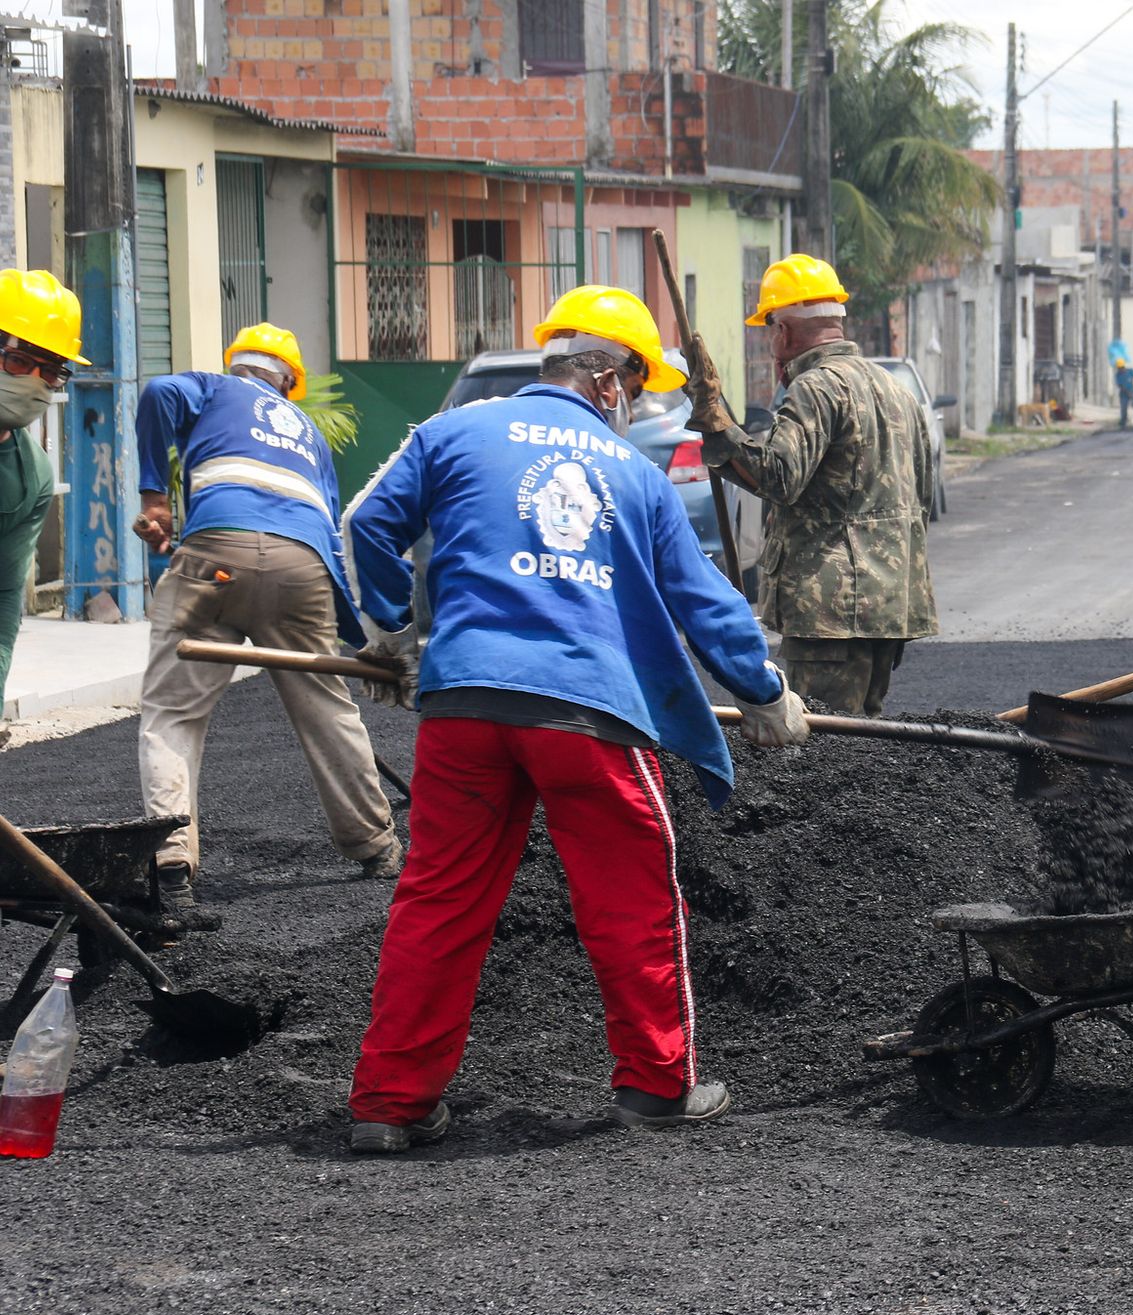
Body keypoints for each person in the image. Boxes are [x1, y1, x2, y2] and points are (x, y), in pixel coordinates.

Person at [341, 285, 810, 1154]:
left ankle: (389, 1105)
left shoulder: (451, 432)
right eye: (637, 388)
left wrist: (389, 635)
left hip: (466, 706)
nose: (635, 405)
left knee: (436, 901)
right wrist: (765, 692)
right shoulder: (632, 474)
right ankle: (657, 1086)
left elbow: (366, 523)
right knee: (632, 892)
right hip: (586, 717)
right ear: (607, 381)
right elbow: (706, 603)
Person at [133, 323, 400, 933]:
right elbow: (331, 530)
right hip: (300, 568)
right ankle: (377, 847)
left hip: (215, 559)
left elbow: (156, 393)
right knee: (325, 704)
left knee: (173, 712)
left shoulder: (214, 389)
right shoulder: (309, 435)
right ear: (289, 383)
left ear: (239, 367)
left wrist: (155, 496)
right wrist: (358, 636)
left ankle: (172, 869)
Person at [687, 253, 937, 716]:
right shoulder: (895, 389)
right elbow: (922, 497)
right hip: (888, 606)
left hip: (832, 615)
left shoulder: (817, 388)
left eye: (769, 329)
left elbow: (778, 477)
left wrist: (716, 423)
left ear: (781, 331)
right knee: (861, 740)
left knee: (822, 750)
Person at [0, 271, 71, 750]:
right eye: (18, 360)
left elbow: (3, 598)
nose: (34, 383)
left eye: (50, 371)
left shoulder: (30, 478)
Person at [1114, 357, 1133, 429]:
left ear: (1123, 367)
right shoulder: (1118, 375)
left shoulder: (1130, 371)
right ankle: (1123, 421)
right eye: (1119, 368)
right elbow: (1120, 386)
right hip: (1123, 394)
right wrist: (1128, 393)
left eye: (1121, 368)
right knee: (1124, 408)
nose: (1120, 369)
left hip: (1132, 392)